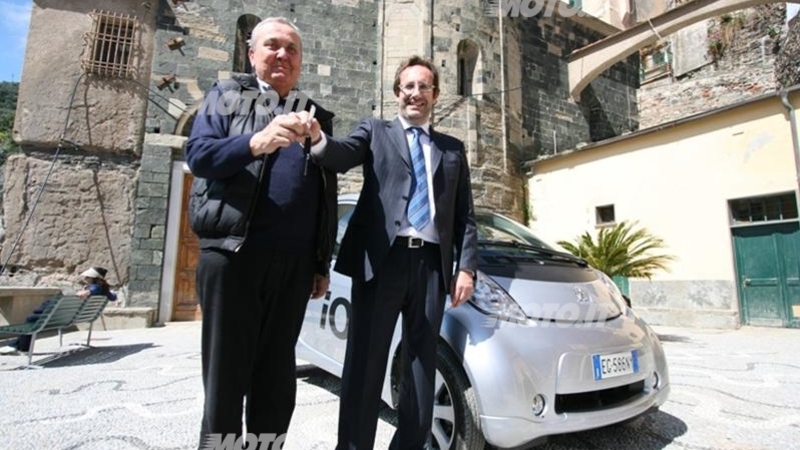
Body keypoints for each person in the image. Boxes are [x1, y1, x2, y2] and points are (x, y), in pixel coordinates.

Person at [303, 55, 478, 449]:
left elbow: (465, 215)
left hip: (432, 267)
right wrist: (317, 139)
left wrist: (465, 267)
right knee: (366, 363)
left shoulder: (452, 149)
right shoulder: (376, 131)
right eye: (409, 86)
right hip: (381, 262)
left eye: (424, 86)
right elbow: (342, 154)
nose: (416, 93)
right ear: (397, 93)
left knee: (420, 366)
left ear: (435, 94)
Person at [184, 16, 338, 449]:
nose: (283, 55)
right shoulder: (226, 96)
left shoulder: (315, 115)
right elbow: (198, 155)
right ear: (251, 53)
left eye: (292, 49)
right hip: (234, 257)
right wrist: (256, 141)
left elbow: (325, 196)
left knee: (276, 384)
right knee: (226, 383)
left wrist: (319, 262)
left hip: (292, 270)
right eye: (272, 45)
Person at [0, 266, 117, 355]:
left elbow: (94, 289)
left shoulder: (95, 288)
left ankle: (21, 347)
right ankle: (16, 345)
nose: (85, 279)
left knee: (31, 319)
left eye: (88, 277)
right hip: (69, 315)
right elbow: (113, 297)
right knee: (33, 318)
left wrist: (88, 291)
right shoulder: (104, 290)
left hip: (58, 314)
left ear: (93, 278)